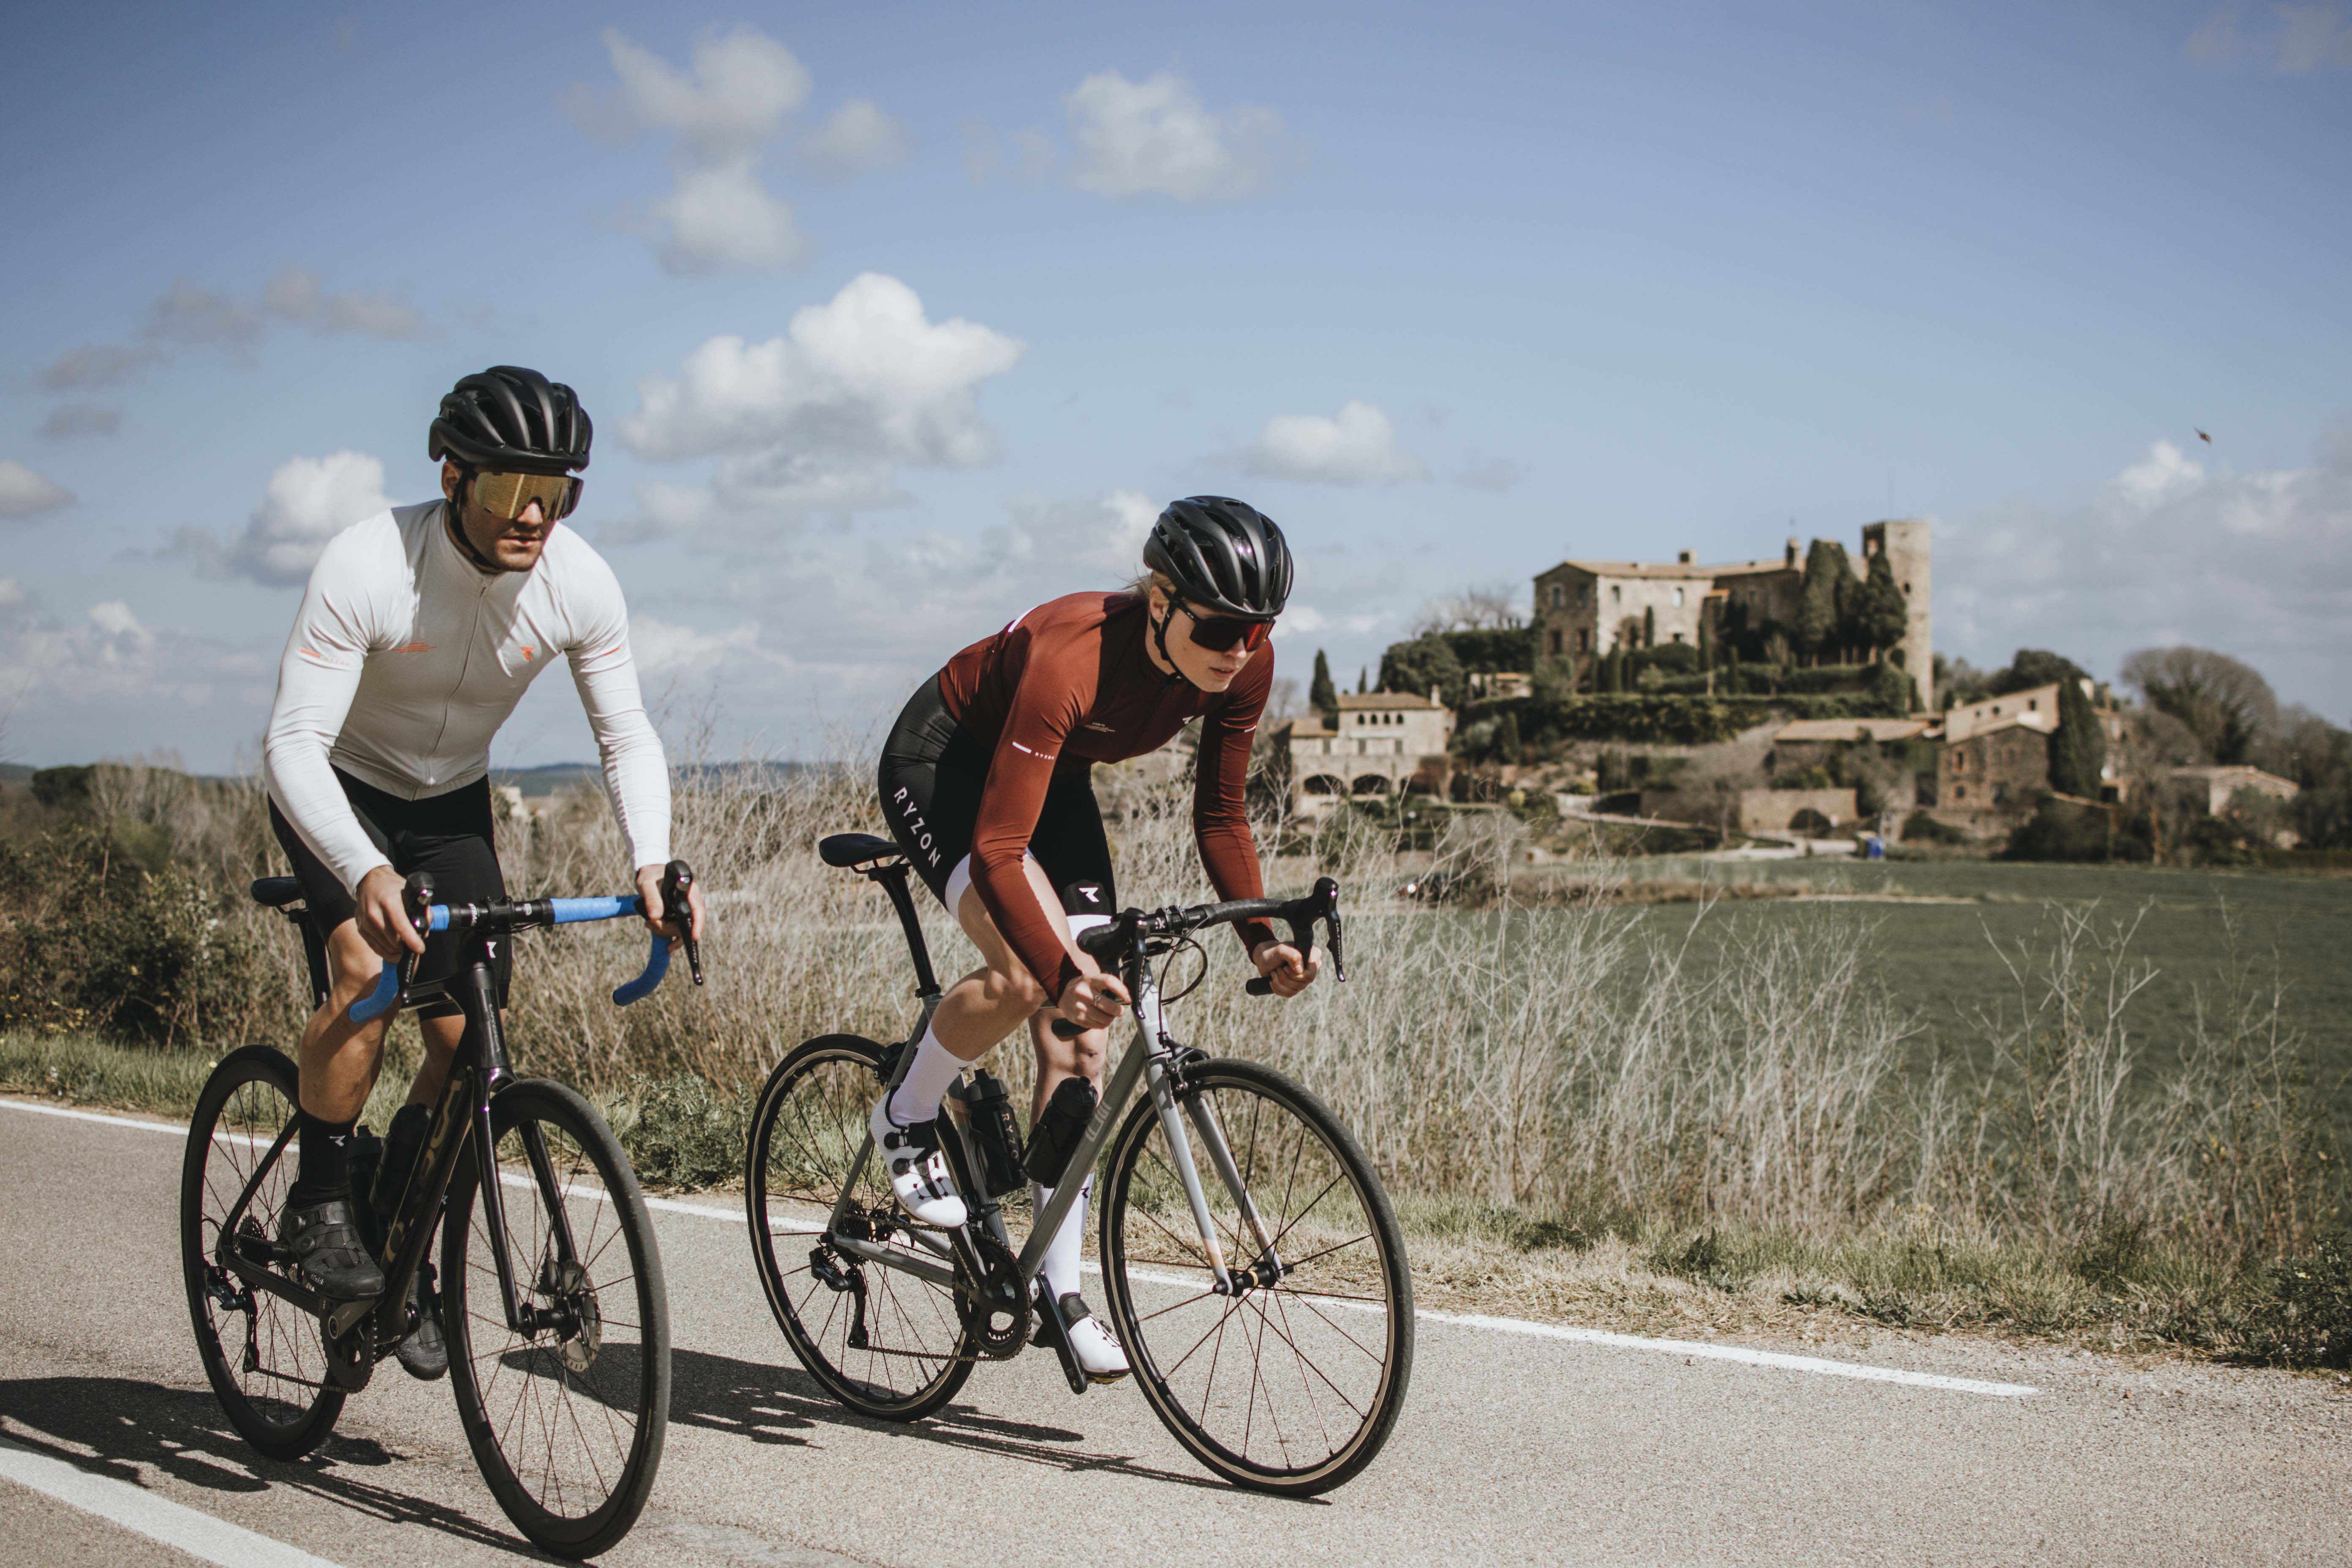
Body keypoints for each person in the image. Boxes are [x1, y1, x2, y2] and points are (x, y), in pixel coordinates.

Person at [261, 366, 704, 1377]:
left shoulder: (578, 580)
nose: (536, 513)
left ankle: (397, 1226)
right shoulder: (370, 562)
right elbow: (290, 743)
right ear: (454, 476)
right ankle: (320, 1196)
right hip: (342, 787)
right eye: (510, 489)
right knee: (366, 976)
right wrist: (364, 868)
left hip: (452, 795)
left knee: (471, 1031)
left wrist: (652, 859)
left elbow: (625, 732)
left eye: (559, 490)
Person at [872, 496, 1323, 1381]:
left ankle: (1062, 1292)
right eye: (1223, 626)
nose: (1240, 649)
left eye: (1259, 628)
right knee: (1022, 978)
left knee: (1083, 1036)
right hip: (947, 764)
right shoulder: (1069, 653)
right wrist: (1054, 964)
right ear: (1161, 598)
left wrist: (1262, 939)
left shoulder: (1246, 664)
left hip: (1055, 773)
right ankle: (906, 1110)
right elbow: (998, 848)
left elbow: (1222, 814)